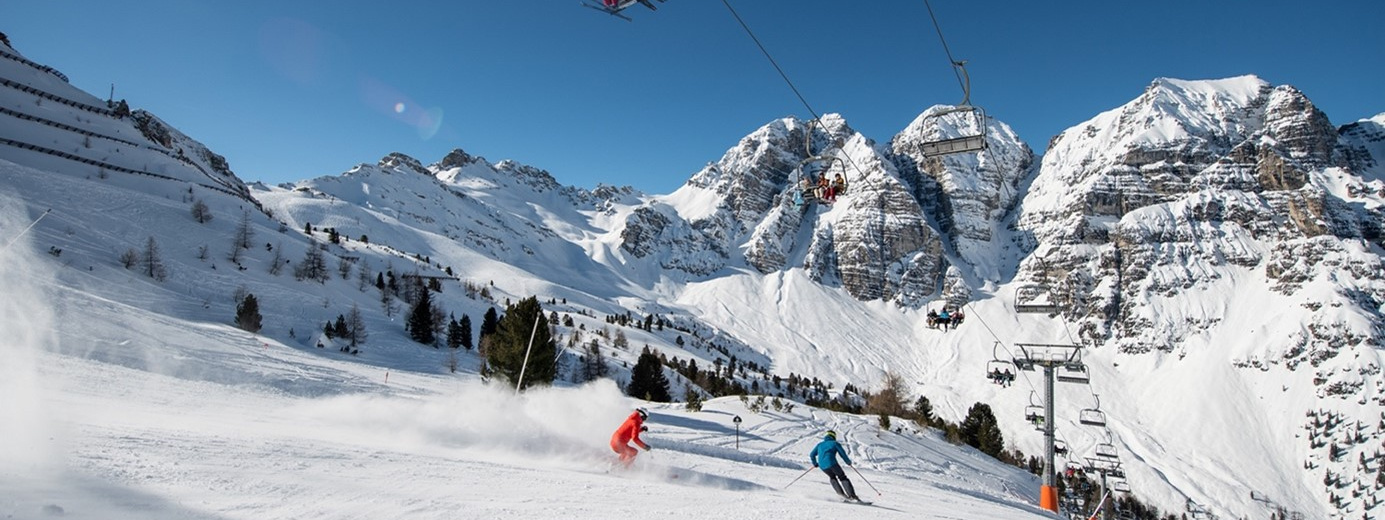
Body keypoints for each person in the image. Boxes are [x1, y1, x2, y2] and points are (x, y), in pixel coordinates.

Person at [809, 430, 860, 501]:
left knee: (832, 477)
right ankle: (852, 496)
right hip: (832, 463)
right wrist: (848, 462)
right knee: (842, 477)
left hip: (822, 466)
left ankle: (842, 496)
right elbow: (843, 454)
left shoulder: (820, 444)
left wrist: (815, 463)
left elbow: (812, 455)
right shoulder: (835, 443)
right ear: (834, 436)